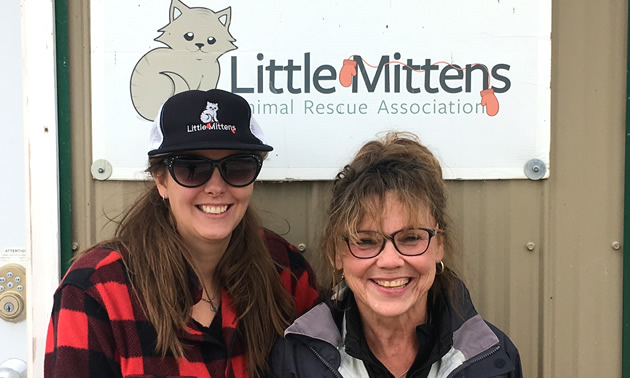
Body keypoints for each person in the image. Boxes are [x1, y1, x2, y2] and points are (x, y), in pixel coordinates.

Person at [44, 89, 320, 378]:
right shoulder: (96, 290)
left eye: (237, 167)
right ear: (160, 180)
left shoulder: (285, 269)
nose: (216, 187)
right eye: (192, 168)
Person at [270, 132, 522, 377]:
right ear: (338, 253)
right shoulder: (297, 360)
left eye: (411, 238)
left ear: (438, 245)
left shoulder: (493, 358)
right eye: (366, 241)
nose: (390, 261)